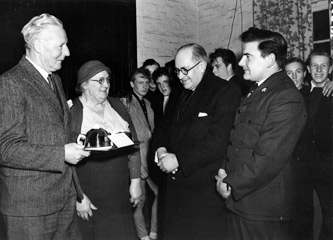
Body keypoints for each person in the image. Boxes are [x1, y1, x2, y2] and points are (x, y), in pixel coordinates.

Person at [0, 13, 90, 239]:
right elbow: (6, 149)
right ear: (39, 46)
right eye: (61, 45)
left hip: (62, 201)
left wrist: (73, 142)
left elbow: (53, 131)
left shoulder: (54, 80)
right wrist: (61, 153)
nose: (67, 52)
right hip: (30, 210)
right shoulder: (10, 83)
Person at [216, 27, 307, 240]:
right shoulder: (256, 91)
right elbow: (236, 140)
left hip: (263, 210)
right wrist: (223, 172)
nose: (240, 62)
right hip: (241, 202)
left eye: (247, 56)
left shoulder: (286, 97)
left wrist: (230, 183)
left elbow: (268, 159)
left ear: (270, 60)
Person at [153, 43, 242, 240]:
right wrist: (160, 149)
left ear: (202, 65)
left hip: (203, 194)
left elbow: (218, 140)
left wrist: (179, 160)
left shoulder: (225, 92)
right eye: (177, 70)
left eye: (185, 70)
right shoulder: (178, 91)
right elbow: (163, 127)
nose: (180, 75)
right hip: (173, 193)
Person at [70, 60, 142, 240]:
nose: (106, 85)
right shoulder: (72, 111)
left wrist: (135, 182)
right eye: (100, 81)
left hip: (119, 190)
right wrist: (79, 197)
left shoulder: (117, 105)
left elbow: (133, 146)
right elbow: (66, 160)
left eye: (108, 80)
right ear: (84, 84)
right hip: (90, 193)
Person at [292, 50, 333, 240]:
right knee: (303, 214)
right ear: (308, 69)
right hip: (303, 164)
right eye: (314, 65)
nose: (318, 69)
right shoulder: (299, 95)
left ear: (330, 68)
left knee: (330, 212)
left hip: (329, 164)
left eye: (323, 65)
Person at [128, 67, 158, 240]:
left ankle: (153, 232)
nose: (144, 86)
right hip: (137, 160)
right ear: (132, 84)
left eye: (147, 83)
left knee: (161, 195)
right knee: (139, 201)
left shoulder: (147, 104)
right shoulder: (126, 103)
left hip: (150, 158)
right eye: (140, 83)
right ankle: (143, 237)